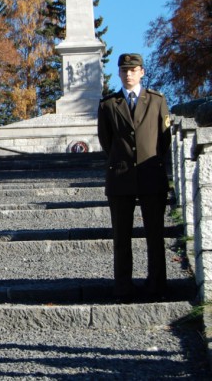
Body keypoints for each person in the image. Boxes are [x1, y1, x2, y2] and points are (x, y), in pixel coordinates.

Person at [97, 53, 171, 303]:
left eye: (133, 70)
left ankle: (157, 285)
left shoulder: (157, 100)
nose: (128, 74)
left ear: (142, 72)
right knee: (121, 237)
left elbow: (164, 140)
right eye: (124, 70)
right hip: (120, 177)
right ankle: (123, 287)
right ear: (119, 73)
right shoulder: (108, 104)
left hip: (151, 176)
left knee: (155, 234)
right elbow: (106, 142)